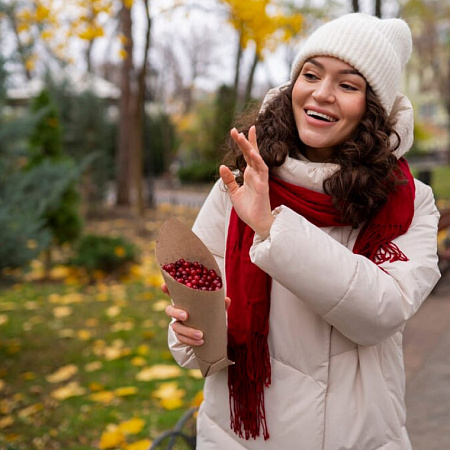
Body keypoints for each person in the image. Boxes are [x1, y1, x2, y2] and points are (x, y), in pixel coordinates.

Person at [163, 12, 441, 450]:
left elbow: (382, 310)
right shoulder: (242, 180)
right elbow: (204, 303)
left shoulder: (408, 201)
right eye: (311, 75)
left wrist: (272, 228)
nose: (322, 94)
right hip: (238, 434)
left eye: (348, 85)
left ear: (372, 109)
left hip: (355, 437)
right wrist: (188, 332)